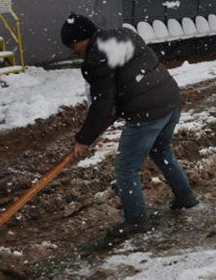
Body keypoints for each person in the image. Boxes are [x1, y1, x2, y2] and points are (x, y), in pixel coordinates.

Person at [61, 13, 198, 240]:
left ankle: (136, 220)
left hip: (147, 113)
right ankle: (186, 197)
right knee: (161, 150)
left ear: (83, 38)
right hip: (170, 100)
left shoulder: (97, 56)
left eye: (73, 45)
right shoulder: (124, 34)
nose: (73, 51)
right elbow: (126, 78)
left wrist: (84, 138)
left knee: (126, 168)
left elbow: (102, 104)